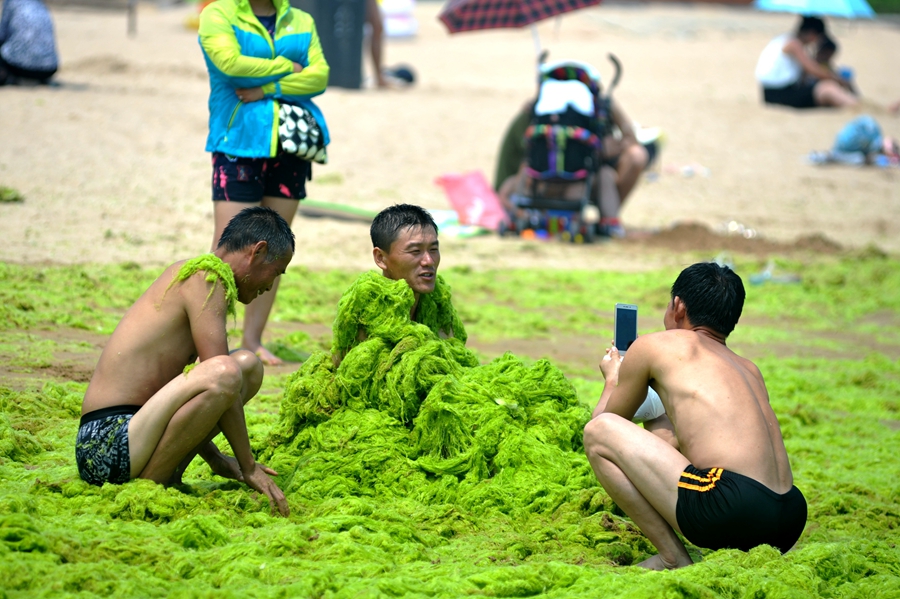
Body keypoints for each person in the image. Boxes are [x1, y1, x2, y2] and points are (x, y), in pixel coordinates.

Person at [583, 262, 806, 570]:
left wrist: (612, 379)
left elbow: (604, 423)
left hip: (730, 504)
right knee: (662, 430)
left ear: (678, 306)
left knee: (598, 434)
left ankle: (672, 558)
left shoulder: (654, 345)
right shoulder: (749, 368)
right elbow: (674, 442)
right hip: (789, 516)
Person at [75, 207, 292, 516]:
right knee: (227, 370)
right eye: (277, 271)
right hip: (105, 445)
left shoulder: (208, 278)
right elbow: (219, 376)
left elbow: (202, 394)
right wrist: (248, 466)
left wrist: (216, 458)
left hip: (139, 432)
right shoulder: (205, 276)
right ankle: (152, 485)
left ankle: (165, 475)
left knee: (247, 366)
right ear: (258, 251)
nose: (271, 286)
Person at [199, 0, 329, 365]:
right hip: (237, 141)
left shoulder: (301, 19)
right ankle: (207, 340)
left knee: (274, 248)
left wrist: (268, 87)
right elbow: (231, 66)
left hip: (291, 145)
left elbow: (319, 77)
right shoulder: (218, 13)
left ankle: (253, 340)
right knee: (226, 248)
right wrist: (288, 69)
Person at [494, 91, 648, 238]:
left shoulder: (541, 118)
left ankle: (607, 223)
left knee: (605, 176)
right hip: (568, 185)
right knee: (604, 176)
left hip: (550, 184)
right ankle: (609, 224)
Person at [755, 15, 856, 109]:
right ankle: (854, 105)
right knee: (827, 88)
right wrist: (836, 79)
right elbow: (812, 69)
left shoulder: (784, 38)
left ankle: (851, 103)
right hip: (780, 93)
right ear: (812, 34)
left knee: (824, 87)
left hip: (769, 91)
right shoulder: (794, 44)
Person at [0, 0, 58, 86]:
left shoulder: (11, 2)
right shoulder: (39, 3)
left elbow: (2, 34)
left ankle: (5, 78)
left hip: (21, 67)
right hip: (50, 68)